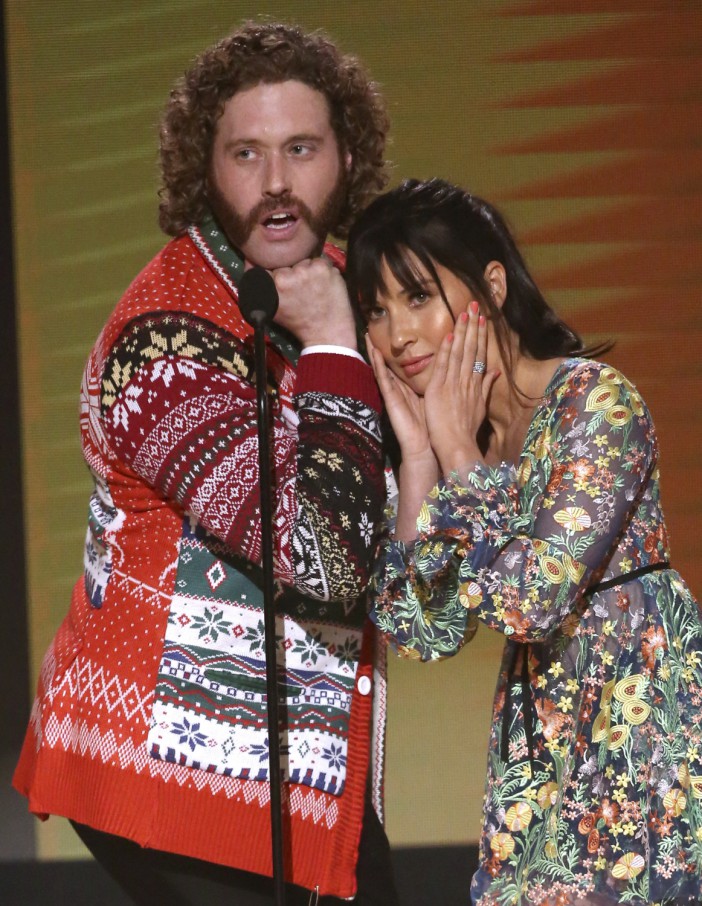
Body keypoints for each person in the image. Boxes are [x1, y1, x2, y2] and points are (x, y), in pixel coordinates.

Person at [13, 22, 400, 906]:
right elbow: (323, 559)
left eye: (301, 149)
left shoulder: (338, 283)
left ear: (347, 158)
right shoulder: (165, 342)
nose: (276, 184)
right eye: (245, 154)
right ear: (204, 168)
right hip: (168, 757)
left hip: (299, 753)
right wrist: (338, 346)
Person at [345, 177, 702, 906]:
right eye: (375, 311)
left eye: (417, 297)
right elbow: (422, 629)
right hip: (541, 747)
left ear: (493, 287)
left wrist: (458, 458)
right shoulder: (458, 445)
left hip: (642, 739)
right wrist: (419, 460)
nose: (397, 334)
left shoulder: (595, 402)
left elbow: (532, 601)